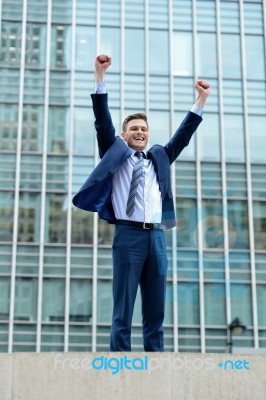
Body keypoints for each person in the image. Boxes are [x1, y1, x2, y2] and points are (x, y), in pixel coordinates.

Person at [73, 54, 210, 352]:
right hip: (128, 236)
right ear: (124, 135)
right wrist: (100, 76)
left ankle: (156, 362)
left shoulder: (158, 157)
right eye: (134, 129)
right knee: (123, 305)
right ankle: (121, 362)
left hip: (157, 237)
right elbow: (102, 121)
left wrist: (199, 101)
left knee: (156, 308)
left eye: (143, 130)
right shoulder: (116, 154)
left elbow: (182, 137)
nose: (139, 132)